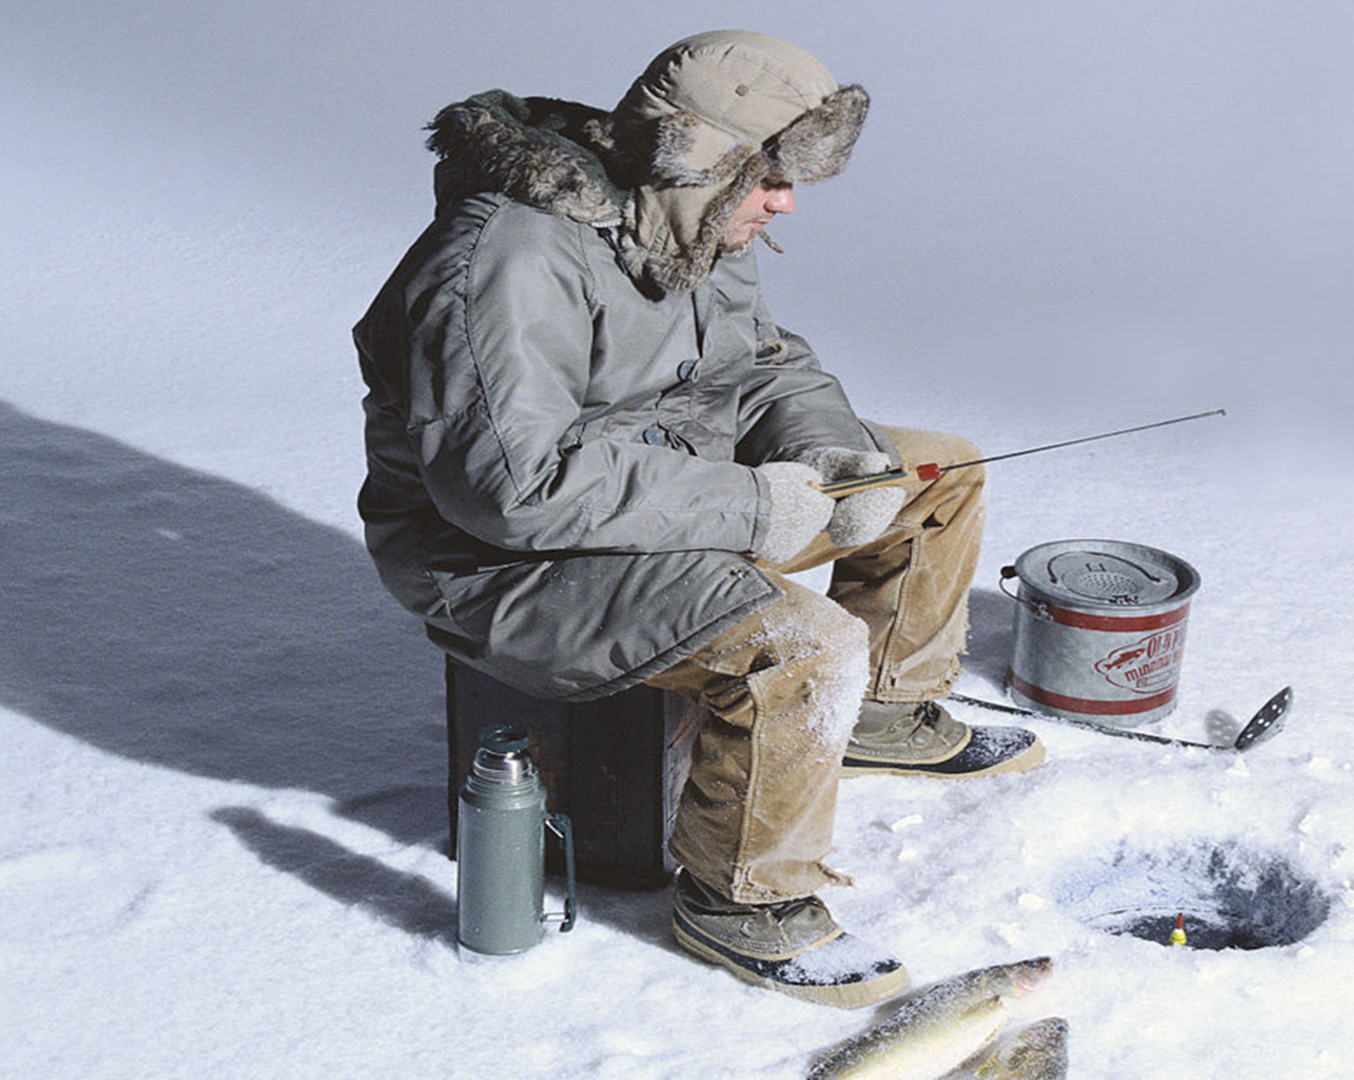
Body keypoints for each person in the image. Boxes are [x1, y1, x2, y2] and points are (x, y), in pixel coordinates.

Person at [354, 30, 1044, 1009]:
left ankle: (879, 713)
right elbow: (509, 488)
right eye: (772, 178)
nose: (786, 204)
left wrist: (827, 454)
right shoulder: (506, 260)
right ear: (705, 159)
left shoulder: (691, 219)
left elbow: (760, 365)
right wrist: (752, 504)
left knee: (938, 473)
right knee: (801, 647)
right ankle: (742, 901)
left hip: (662, 484)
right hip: (501, 562)